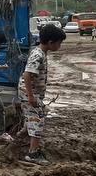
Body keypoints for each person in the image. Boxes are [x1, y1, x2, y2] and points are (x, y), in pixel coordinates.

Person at [22, 22, 66, 165]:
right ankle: (33, 154)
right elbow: (27, 75)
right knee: (38, 121)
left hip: (32, 94)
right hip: (30, 94)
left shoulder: (41, 52)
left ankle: (24, 142)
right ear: (50, 42)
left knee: (34, 118)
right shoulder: (38, 55)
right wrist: (30, 96)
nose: (59, 46)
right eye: (59, 43)